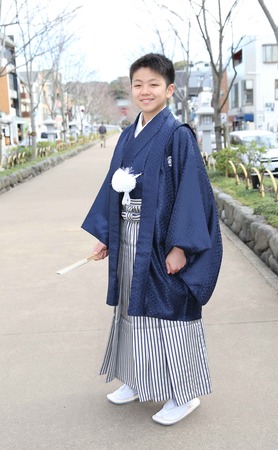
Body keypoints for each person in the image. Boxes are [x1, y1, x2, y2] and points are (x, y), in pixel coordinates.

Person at [82, 53, 222, 426]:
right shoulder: (128, 135)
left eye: (154, 84)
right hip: (129, 236)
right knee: (130, 309)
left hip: (161, 241)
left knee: (169, 313)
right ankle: (137, 379)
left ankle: (183, 392)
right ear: (131, 89)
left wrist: (181, 247)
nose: (145, 91)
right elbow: (112, 190)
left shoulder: (178, 136)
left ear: (169, 90)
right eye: (138, 84)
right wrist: (107, 236)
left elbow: (193, 193)